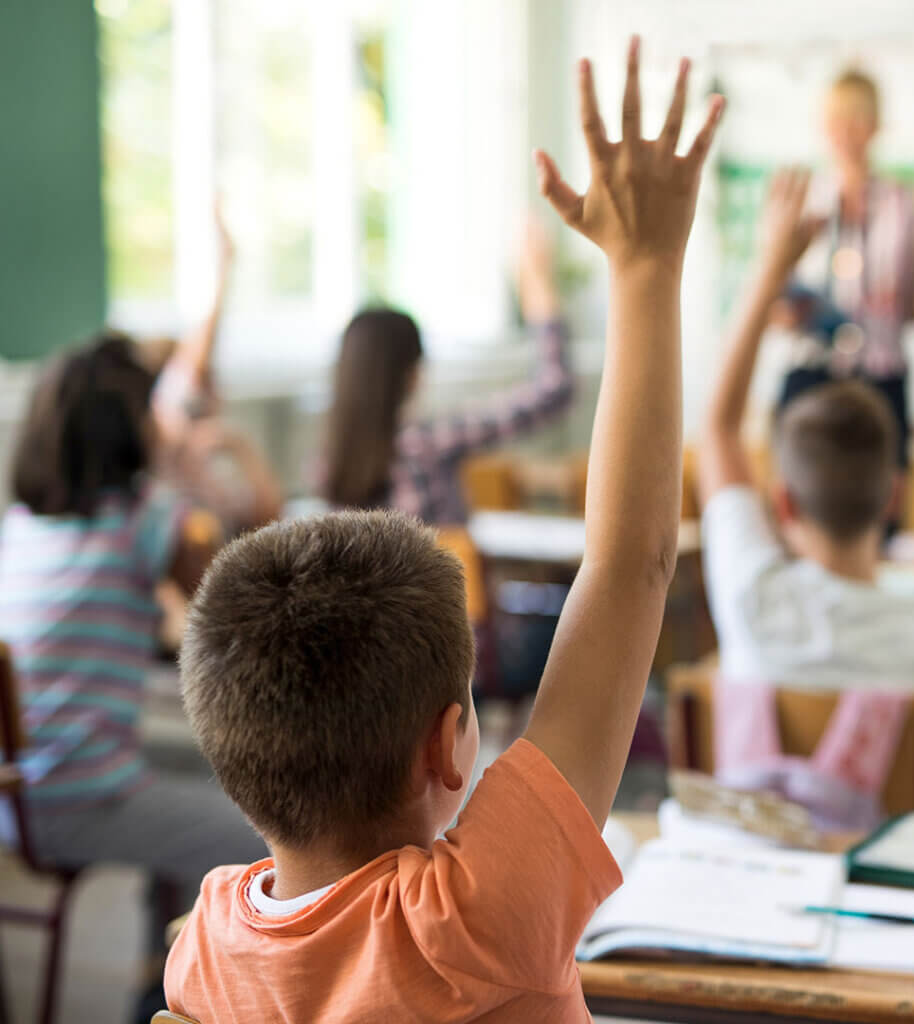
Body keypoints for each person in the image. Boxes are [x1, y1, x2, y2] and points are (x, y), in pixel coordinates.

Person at [164, 38, 724, 1021]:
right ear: (450, 748)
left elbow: (628, 566)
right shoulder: (476, 917)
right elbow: (632, 565)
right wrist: (647, 267)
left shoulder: (204, 951)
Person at [699, 168, 914, 818]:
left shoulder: (749, 597)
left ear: (783, 504)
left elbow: (719, 428)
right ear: (895, 495)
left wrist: (769, 268)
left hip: (770, 892)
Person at [0, 332, 267, 1022]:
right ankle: (188, 993)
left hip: (17, 791)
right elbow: (248, 614)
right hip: (78, 801)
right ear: (133, 428)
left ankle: (160, 979)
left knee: (194, 766)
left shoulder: (24, 523)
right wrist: (190, 479)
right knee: (275, 828)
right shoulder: (147, 520)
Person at [780, 68, 914, 477]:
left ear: (876, 126)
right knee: (804, 498)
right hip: (813, 375)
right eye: (837, 119)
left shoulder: (910, 207)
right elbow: (773, 311)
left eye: (859, 118)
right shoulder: (799, 202)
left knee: (883, 503)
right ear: (823, 125)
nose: (847, 131)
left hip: (882, 380)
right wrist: (789, 309)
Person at [321, 221, 572, 525]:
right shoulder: (427, 445)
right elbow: (553, 389)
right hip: (444, 573)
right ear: (413, 374)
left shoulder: (325, 465)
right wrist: (538, 283)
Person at [145, 202, 283, 537]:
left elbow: (270, 515)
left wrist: (240, 448)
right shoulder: (170, 418)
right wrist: (226, 262)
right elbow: (197, 354)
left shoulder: (212, 460)